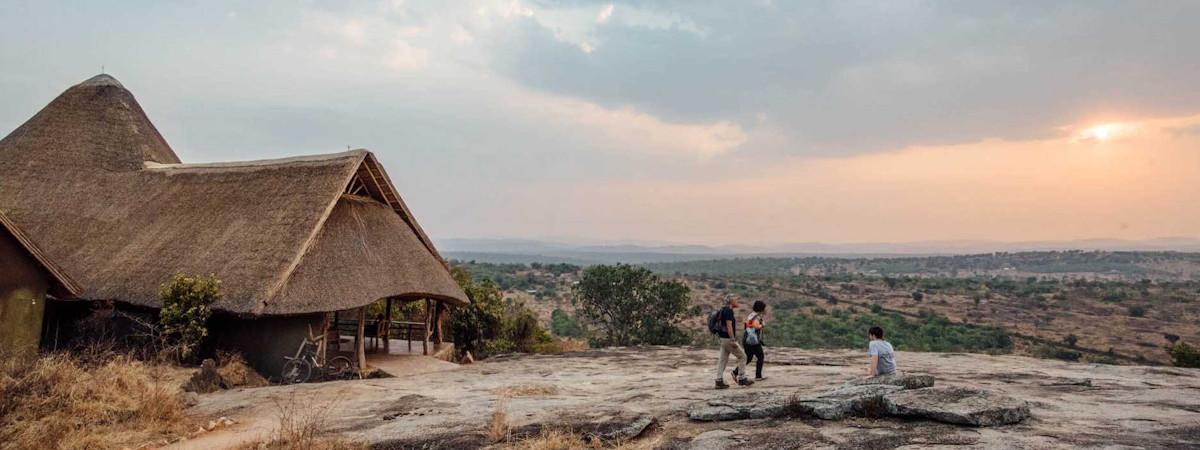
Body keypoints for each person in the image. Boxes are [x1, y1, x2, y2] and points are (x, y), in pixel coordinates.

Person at [714, 296, 753, 389]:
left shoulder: (723, 309)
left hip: (723, 339)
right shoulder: (728, 311)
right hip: (728, 339)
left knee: (722, 360)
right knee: (743, 356)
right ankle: (742, 378)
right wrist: (732, 339)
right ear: (731, 301)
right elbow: (729, 325)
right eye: (736, 300)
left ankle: (719, 381)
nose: (737, 301)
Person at [735, 301, 767, 380]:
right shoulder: (755, 317)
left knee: (748, 358)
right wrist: (761, 325)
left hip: (747, 340)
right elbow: (755, 326)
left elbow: (747, 325)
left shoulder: (751, 315)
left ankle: (735, 372)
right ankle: (758, 376)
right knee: (760, 356)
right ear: (761, 309)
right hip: (753, 341)